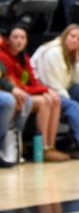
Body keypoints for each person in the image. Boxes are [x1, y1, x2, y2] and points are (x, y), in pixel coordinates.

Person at [31, 25, 79, 159]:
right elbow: (51, 83)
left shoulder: (71, 53)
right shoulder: (53, 52)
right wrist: (69, 100)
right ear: (65, 35)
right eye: (72, 36)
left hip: (60, 91)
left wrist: (78, 60)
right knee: (73, 106)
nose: (75, 41)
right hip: (44, 91)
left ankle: (77, 139)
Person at [0, 26, 68, 161]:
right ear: (7, 40)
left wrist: (47, 91)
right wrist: (43, 91)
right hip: (15, 93)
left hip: (23, 93)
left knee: (54, 99)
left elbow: (33, 81)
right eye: (15, 37)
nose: (19, 41)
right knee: (43, 102)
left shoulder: (24, 58)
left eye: (22, 37)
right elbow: (16, 86)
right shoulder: (4, 56)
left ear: (26, 41)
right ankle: (42, 148)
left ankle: (51, 145)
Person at [0, 50, 32, 167]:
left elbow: (2, 70)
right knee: (7, 101)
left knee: (26, 100)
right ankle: (2, 145)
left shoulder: (23, 58)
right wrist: (12, 89)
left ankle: (14, 146)